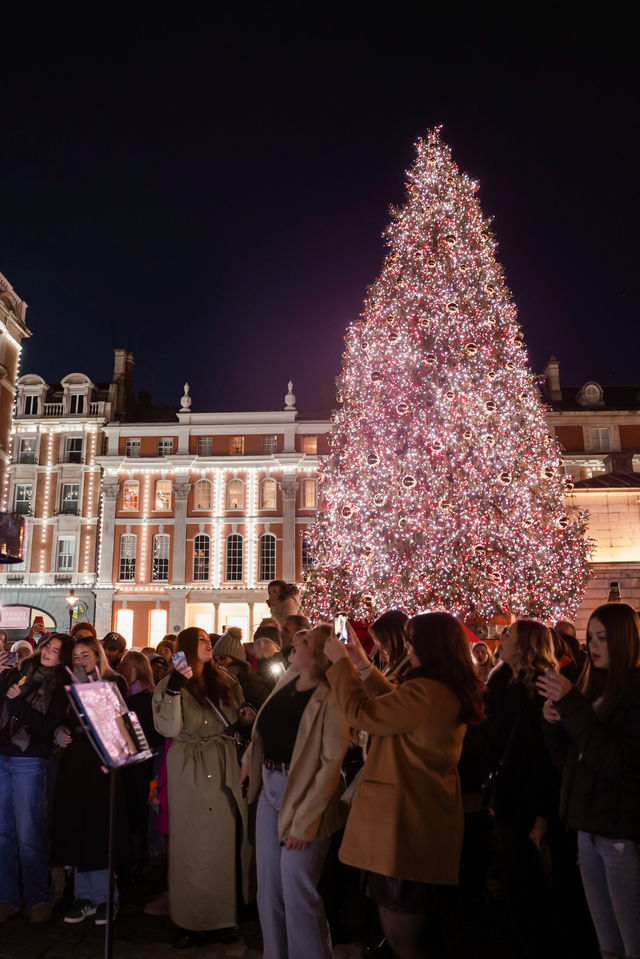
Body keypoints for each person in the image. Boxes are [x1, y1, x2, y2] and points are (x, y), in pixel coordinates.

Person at [324, 612, 486, 959]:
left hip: (405, 823)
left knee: (403, 932)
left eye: (413, 641)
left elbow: (363, 713)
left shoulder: (426, 691)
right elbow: (395, 706)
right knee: (409, 927)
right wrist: (361, 662)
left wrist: (341, 666)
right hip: (420, 816)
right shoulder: (439, 687)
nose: (407, 646)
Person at [538, 603, 640, 959]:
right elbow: (571, 761)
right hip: (587, 829)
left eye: (603, 637)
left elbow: (612, 761)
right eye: (590, 637)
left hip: (620, 836)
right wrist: (552, 722)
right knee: (607, 944)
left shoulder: (634, 694)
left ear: (625, 641)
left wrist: (571, 705)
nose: (593, 645)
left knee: (631, 942)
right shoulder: (594, 689)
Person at [242, 625, 349, 959]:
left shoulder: (331, 695)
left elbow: (331, 764)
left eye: (303, 641)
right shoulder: (287, 678)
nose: (294, 643)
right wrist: (249, 760)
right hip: (269, 786)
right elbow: (263, 727)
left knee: (297, 888)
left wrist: (305, 822)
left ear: (318, 654)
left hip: (304, 793)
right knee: (269, 888)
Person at [152, 627, 251, 949]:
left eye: (209, 641)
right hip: (190, 768)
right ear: (189, 648)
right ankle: (190, 921)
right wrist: (176, 689)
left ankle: (222, 920)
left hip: (221, 765)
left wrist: (244, 716)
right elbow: (168, 726)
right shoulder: (170, 684)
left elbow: (236, 714)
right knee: (191, 849)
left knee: (221, 847)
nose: (210, 644)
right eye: (203, 642)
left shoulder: (225, 679)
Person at [51, 633, 130, 925]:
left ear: (97, 656)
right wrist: (59, 732)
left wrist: (88, 689)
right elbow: (61, 717)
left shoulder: (115, 681)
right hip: (76, 760)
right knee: (78, 824)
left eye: (86, 656)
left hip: (103, 759)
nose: (80, 662)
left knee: (101, 825)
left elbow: (117, 719)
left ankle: (108, 895)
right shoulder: (66, 685)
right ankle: (84, 895)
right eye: (75, 658)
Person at [0, 633, 74, 924]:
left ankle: (38, 896)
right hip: (2, 754)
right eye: (47, 647)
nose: (48, 653)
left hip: (29, 759)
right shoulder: (18, 674)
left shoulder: (60, 686)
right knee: (2, 832)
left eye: (56, 651)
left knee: (29, 832)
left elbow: (46, 726)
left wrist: (18, 705)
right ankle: (6, 896)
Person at [118, 650, 164, 870]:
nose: (120, 667)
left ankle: (138, 861)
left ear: (136, 668)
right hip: (136, 761)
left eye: (125, 663)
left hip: (142, 764)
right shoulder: (134, 695)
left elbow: (140, 736)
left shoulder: (141, 698)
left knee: (139, 808)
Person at [212, 631, 270, 711]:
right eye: (215, 660)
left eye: (223, 658)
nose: (218, 664)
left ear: (236, 659)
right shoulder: (219, 681)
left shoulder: (251, 684)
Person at [368, 609, 410, 682]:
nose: (381, 648)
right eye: (378, 642)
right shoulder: (393, 664)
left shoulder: (406, 669)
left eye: (384, 640)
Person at [253, 625, 286, 689]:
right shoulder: (253, 667)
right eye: (258, 643)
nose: (261, 646)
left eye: (266, 642)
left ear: (276, 646)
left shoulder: (284, 666)